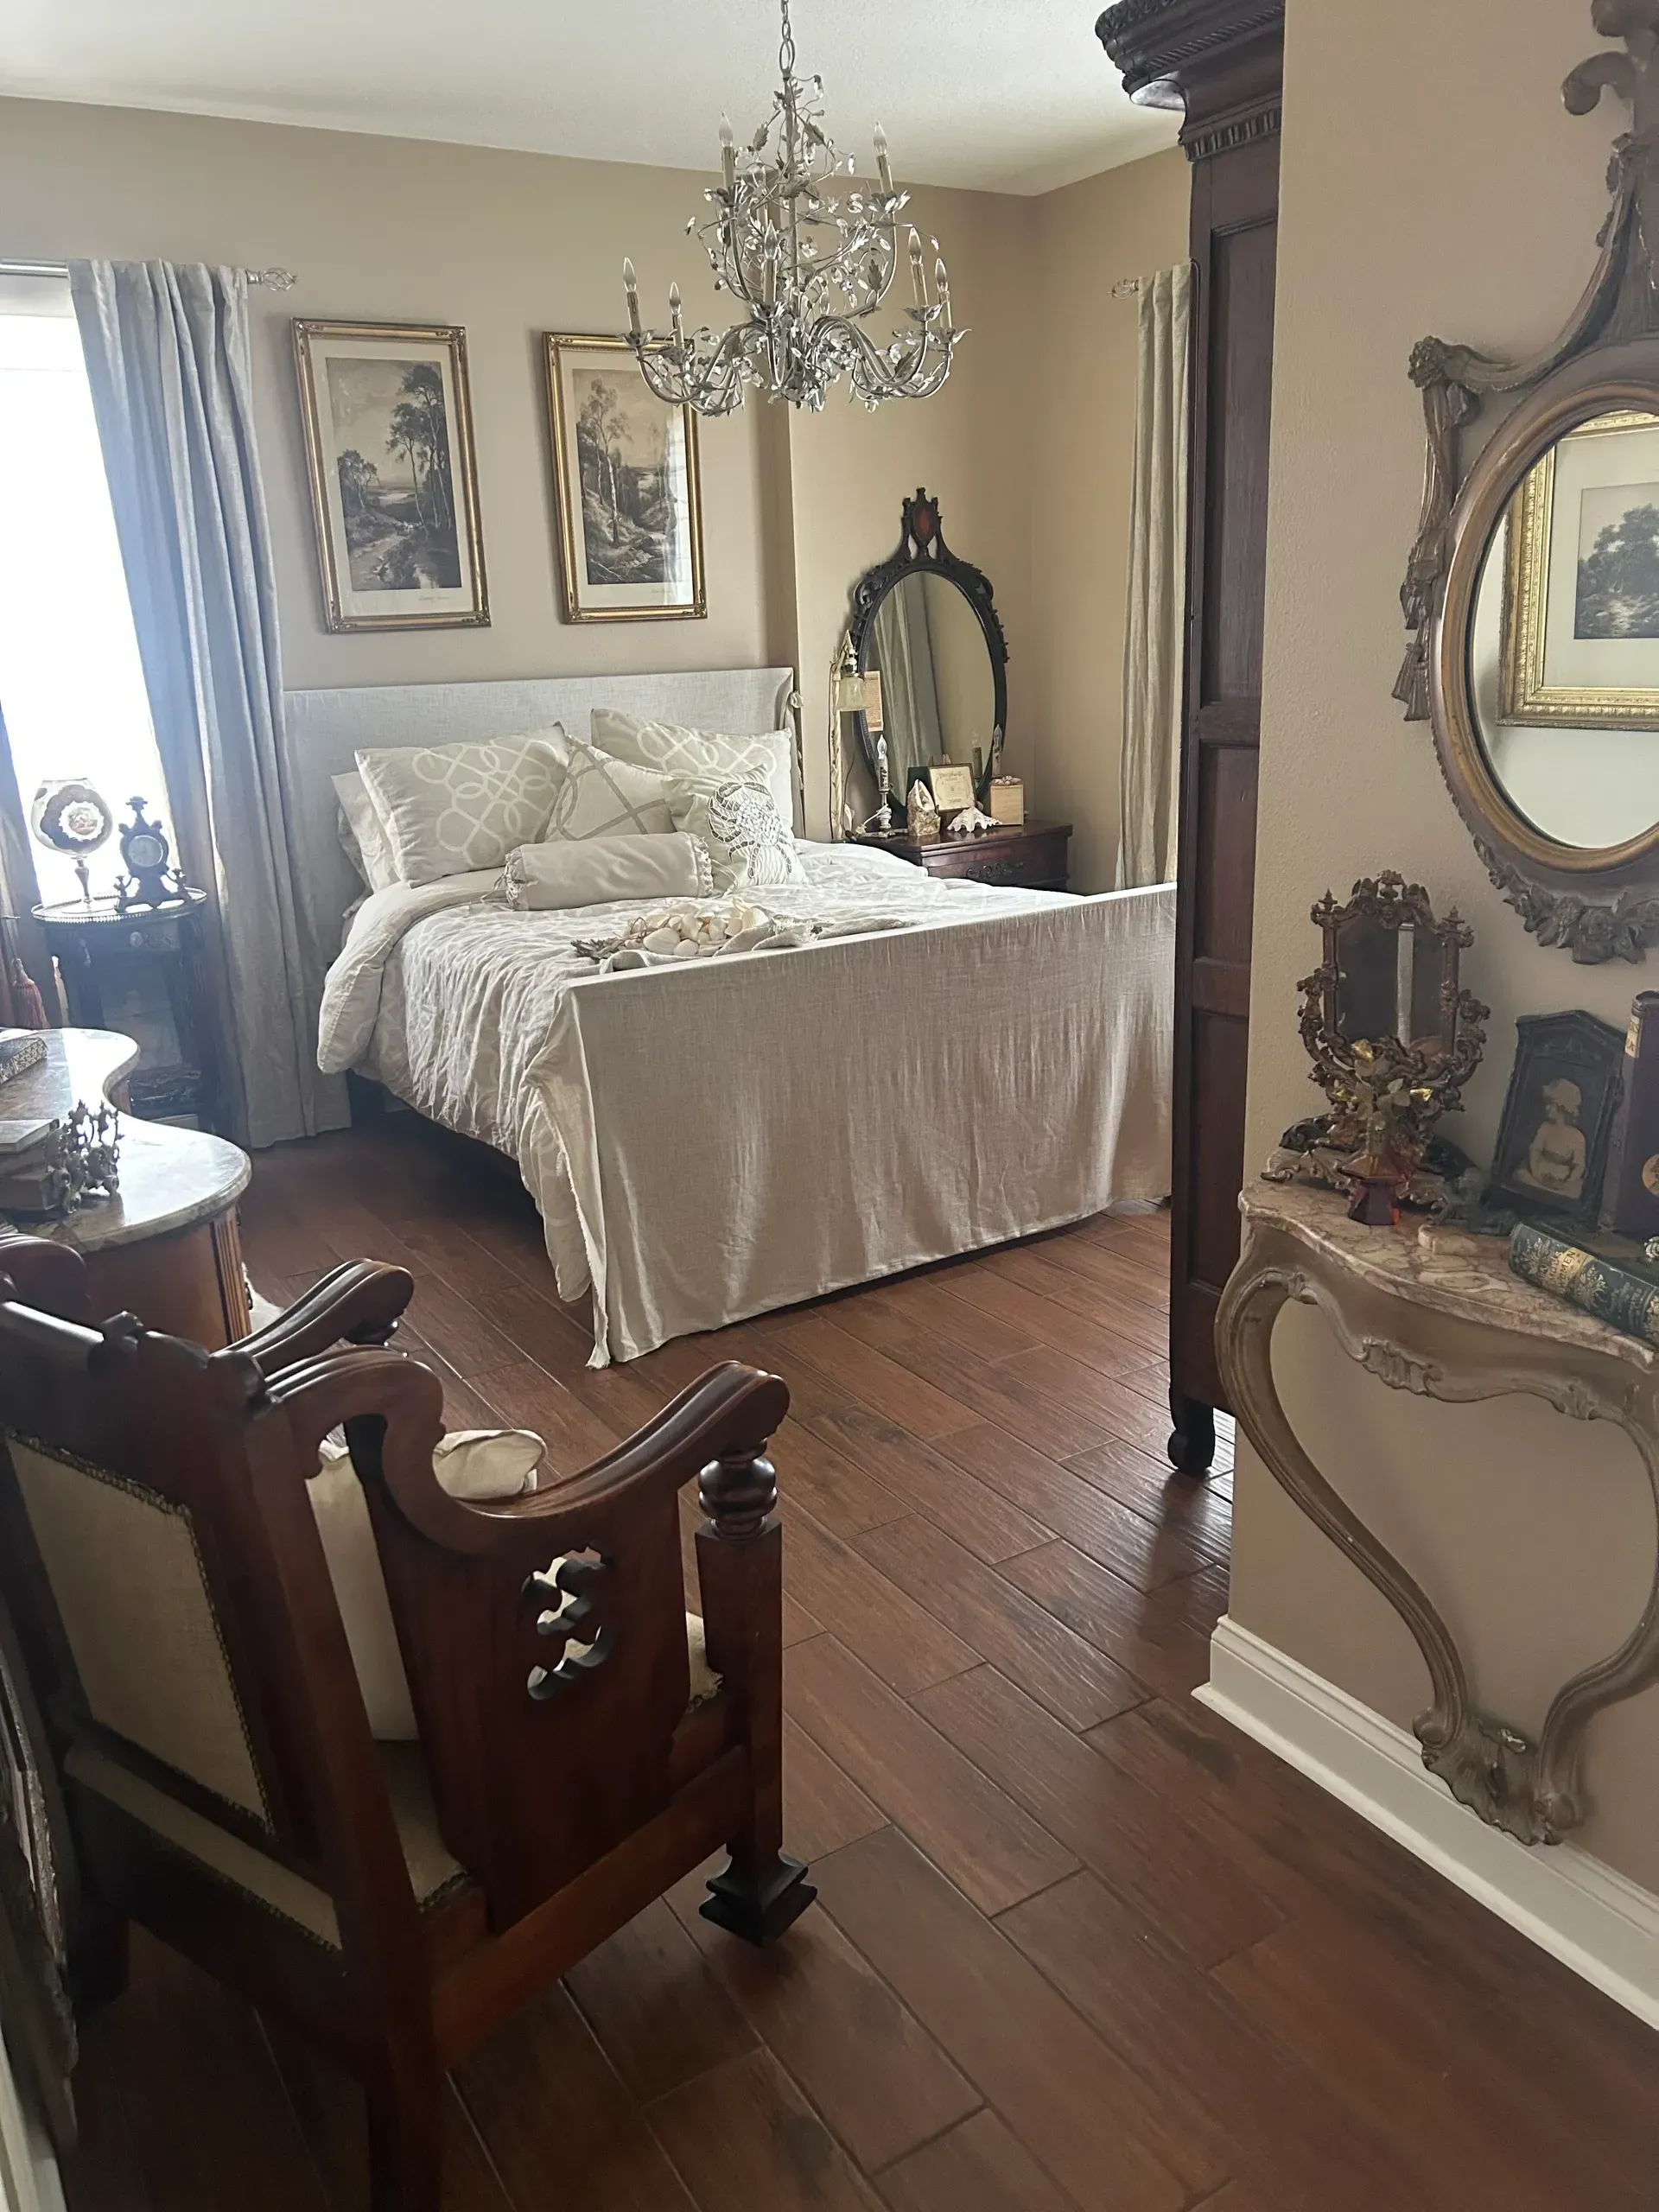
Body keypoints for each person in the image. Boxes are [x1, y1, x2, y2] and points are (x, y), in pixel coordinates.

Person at [1515, 1077, 1586, 1200]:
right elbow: (1535, 1150)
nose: (1547, 1108)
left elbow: (1579, 1165)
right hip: (1540, 1170)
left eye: (1550, 1104)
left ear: (1562, 1108)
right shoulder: (1545, 1128)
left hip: (1562, 1176)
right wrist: (1536, 1172)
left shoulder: (1577, 1137)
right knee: (1522, 1176)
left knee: (1574, 1192)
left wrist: (1567, 1181)